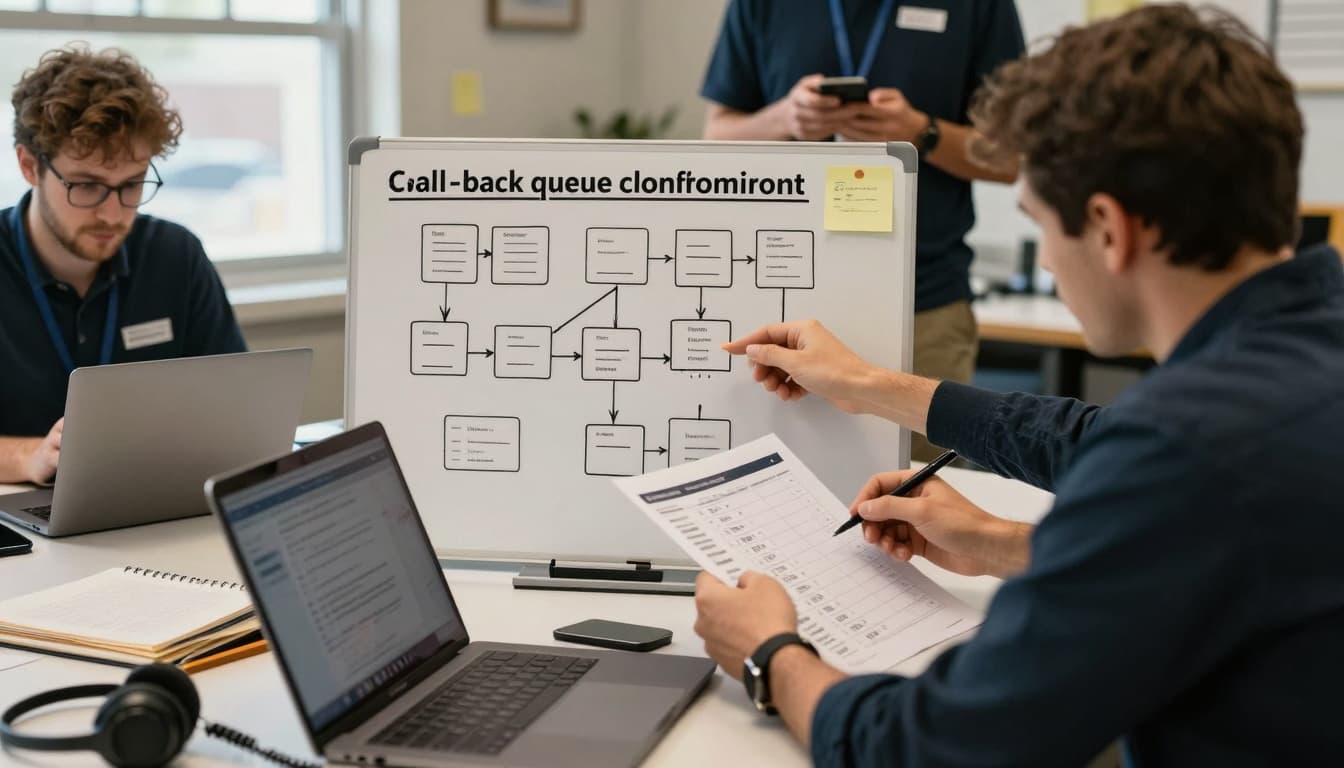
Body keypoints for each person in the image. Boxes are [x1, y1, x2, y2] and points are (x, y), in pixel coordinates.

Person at [693, 5, 1344, 765]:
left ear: (1108, 229)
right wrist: (875, 394)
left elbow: (932, 749)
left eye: (1039, 219)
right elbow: (1095, 446)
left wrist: (770, 655)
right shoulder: (1303, 350)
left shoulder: (1190, 451)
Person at [700, 0, 1025, 460]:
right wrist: (784, 120)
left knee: (918, 498)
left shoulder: (978, 7)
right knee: (777, 485)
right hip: (780, 298)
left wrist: (922, 132)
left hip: (923, 308)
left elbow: (1010, 157)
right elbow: (716, 137)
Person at [0, 47, 245, 485]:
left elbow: (237, 413)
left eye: (132, 185)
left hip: (151, 501)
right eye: (87, 186)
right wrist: (28, 457)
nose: (113, 214)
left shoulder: (176, 255)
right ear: (29, 166)